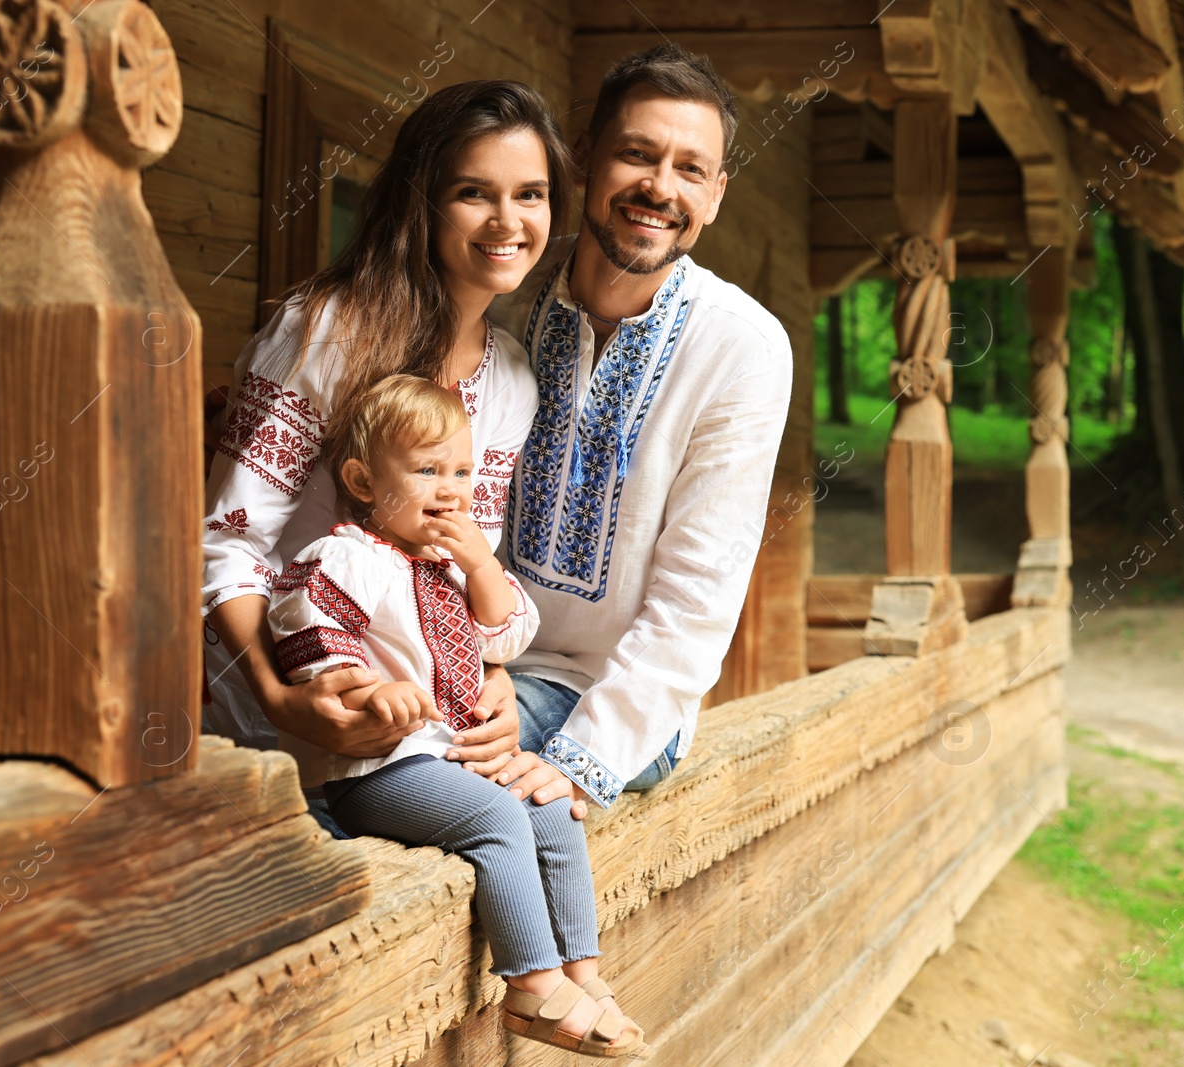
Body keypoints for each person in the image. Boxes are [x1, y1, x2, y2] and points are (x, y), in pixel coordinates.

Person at [447, 44, 794, 814]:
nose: (659, 187)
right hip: (472, 660)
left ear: (716, 195)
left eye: (690, 169)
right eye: (637, 154)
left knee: (421, 769)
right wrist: (471, 661)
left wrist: (585, 756)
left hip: (618, 701)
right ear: (583, 162)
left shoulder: (743, 346)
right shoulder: (504, 300)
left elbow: (698, 595)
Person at [202, 81, 565, 798]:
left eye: (531, 194)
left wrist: (492, 678)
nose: (507, 220)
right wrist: (282, 698)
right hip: (275, 720)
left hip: (416, 736)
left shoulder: (514, 378)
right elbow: (229, 542)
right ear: (421, 200)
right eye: (473, 192)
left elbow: (454, 560)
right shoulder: (326, 331)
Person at [271, 375, 646, 1059]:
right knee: (498, 818)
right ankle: (531, 987)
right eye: (426, 470)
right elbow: (303, 621)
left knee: (550, 808)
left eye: (462, 471)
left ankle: (581, 971)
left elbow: (506, 640)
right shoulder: (349, 556)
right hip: (377, 769)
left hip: (443, 759)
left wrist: (479, 564)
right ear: (362, 479)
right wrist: (358, 686)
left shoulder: (446, 568)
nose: (451, 489)